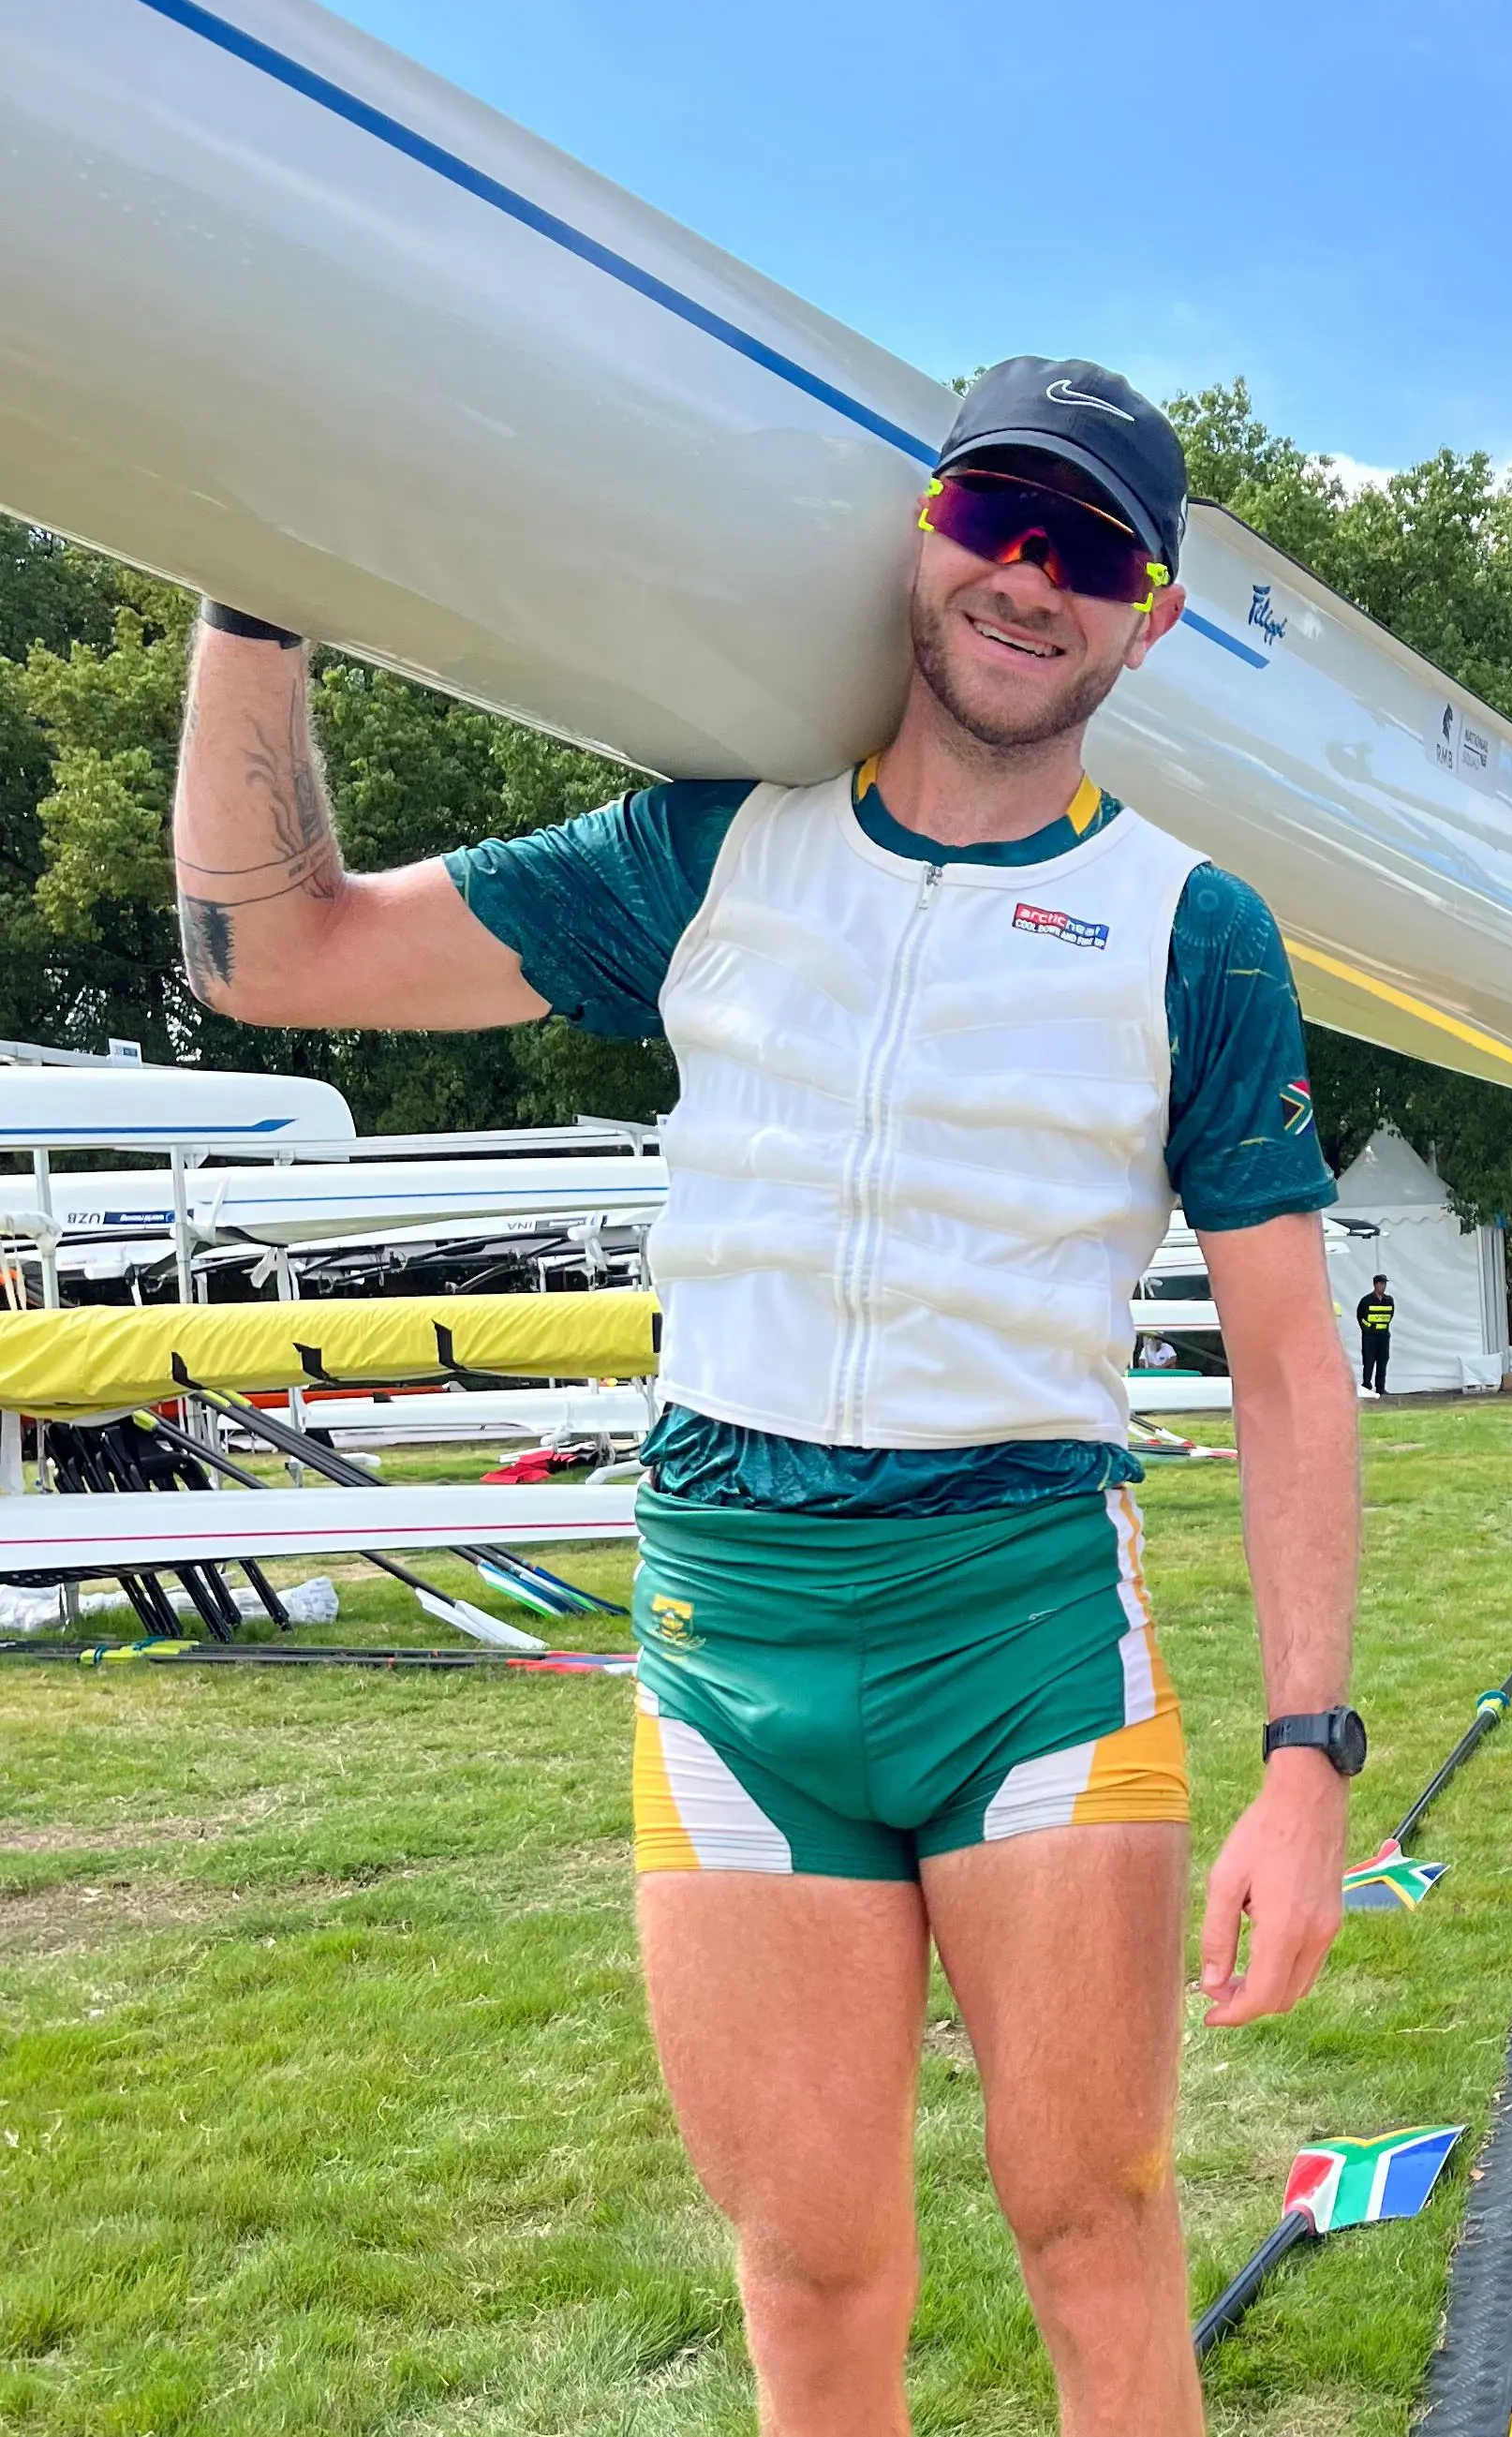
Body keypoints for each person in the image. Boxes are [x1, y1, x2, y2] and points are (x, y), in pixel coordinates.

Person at [170, 357, 1366, 2436]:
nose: (1026, 575)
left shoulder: (1196, 929)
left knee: (1095, 2233)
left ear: (1148, 613)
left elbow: (1286, 1358)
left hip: (1022, 1632)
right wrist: (255, 599)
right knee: (813, 2274)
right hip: (732, 1631)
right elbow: (274, 956)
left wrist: (1308, 1757)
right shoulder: (700, 854)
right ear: (924, 525)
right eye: (996, 514)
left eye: (1088, 551)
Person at [1356, 1274, 1395, 1396]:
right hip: (1370, 1337)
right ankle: (1367, 1386)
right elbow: (1360, 1317)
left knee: (1382, 1361)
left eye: (1385, 1284)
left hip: (1383, 1336)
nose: (1383, 1286)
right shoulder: (1366, 1300)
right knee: (1369, 1361)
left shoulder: (1389, 1300)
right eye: (1381, 1283)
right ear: (1375, 1284)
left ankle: (1380, 1388)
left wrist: (1382, 1327)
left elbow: (1390, 1315)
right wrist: (1368, 1328)